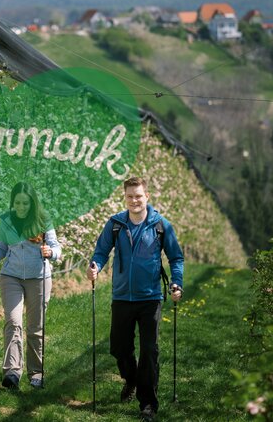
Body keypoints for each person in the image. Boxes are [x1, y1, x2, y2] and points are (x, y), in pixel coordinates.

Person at [87, 176, 184, 421]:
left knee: (149, 350)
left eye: (138, 196)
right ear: (125, 197)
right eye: (130, 196)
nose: (134, 200)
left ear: (147, 197)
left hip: (150, 297)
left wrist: (176, 283)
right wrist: (95, 266)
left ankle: (148, 404)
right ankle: (131, 379)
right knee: (119, 347)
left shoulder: (161, 225)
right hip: (122, 296)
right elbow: (101, 251)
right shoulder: (116, 223)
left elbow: (176, 258)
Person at [0, 182, 61, 390]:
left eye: (25, 203)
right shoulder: (7, 220)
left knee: (35, 328)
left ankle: (36, 372)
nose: (21, 206)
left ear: (32, 203)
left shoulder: (43, 220)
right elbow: (1, 247)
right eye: (17, 202)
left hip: (39, 278)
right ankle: (12, 372)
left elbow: (56, 248)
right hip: (12, 277)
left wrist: (50, 253)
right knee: (13, 321)